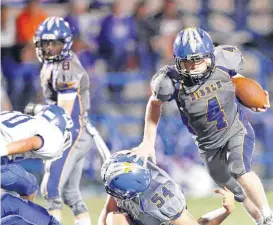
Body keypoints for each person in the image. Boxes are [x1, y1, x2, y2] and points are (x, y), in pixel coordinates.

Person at [129, 27, 272, 225]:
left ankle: (268, 215)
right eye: (188, 62)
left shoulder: (224, 62)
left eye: (199, 60)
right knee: (235, 190)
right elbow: (154, 104)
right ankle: (260, 220)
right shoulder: (171, 81)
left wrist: (251, 97)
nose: (194, 67)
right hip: (208, 145)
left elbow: (236, 79)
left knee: (239, 168)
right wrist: (148, 141)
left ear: (211, 56)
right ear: (178, 61)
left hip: (235, 129)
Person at [29, 16, 109, 225]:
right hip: (75, 131)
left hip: (72, 132)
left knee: (50, 189)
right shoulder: (54, 64)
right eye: (45, 43)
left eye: (54, 43)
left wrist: (36, 110)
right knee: (70, 194)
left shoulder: (66, 68)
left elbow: (63, 112)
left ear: (65, 43)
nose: (48, 48)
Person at [98, 150, 235, 225]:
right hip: (138, 218)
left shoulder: (162, 198)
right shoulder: (127, 168)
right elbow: (109, 210)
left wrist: (225, 211)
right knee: (114, 219)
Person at [0, 105, 73, 201]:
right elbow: (33, 142)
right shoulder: (54, 134)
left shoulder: (19, 116)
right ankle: (16, 215)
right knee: (30, 187)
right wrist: (3, 150)